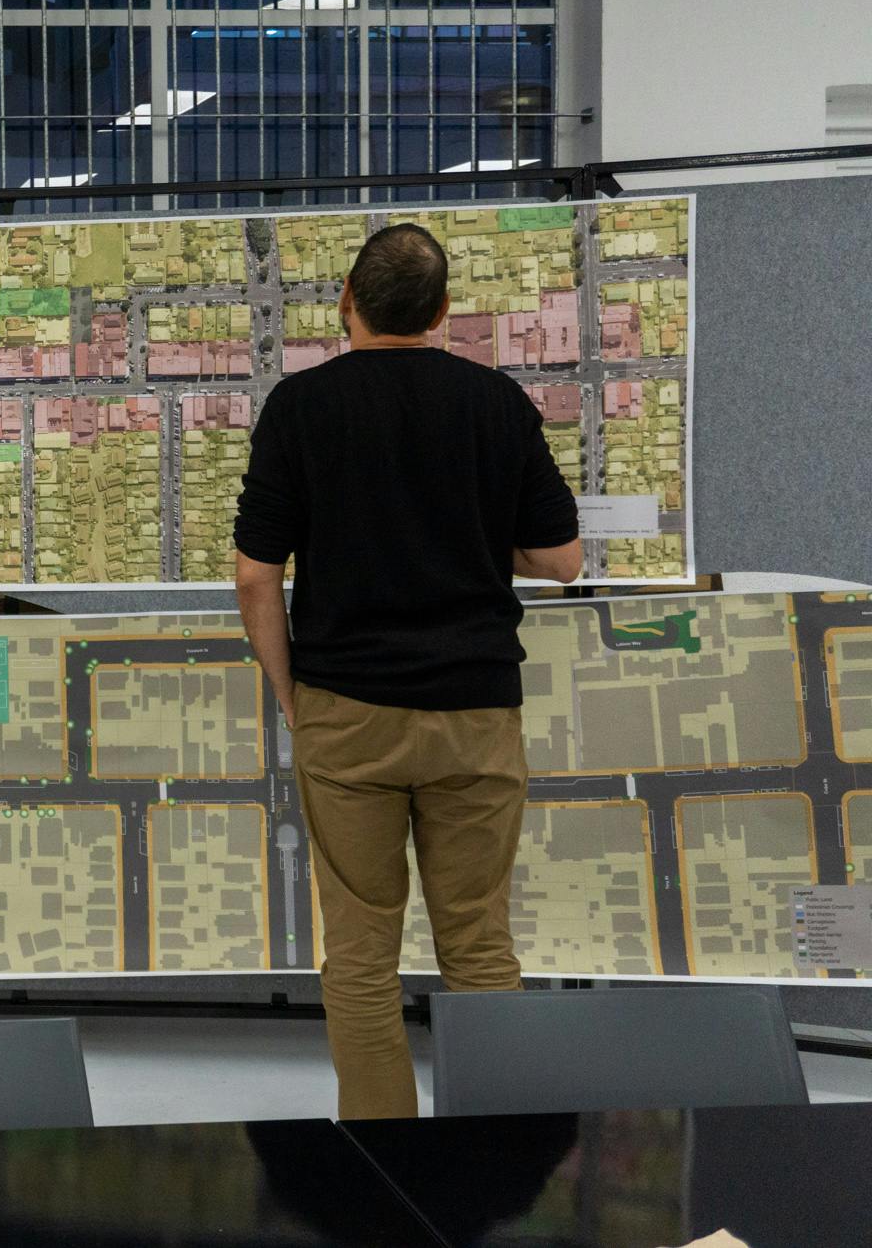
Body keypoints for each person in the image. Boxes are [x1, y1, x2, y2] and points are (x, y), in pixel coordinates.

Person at [231, 222, 582, 1120]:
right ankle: (495, 1154)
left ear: (346, 300)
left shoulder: (300, 408)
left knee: (359, 954)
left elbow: (255, 575)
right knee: (480, 946)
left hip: (346, 713)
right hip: (476, 716)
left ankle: (380, 1160)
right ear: (443, 310)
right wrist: (474, 540)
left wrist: (292, 696)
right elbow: (562, 559)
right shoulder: (496, 403)